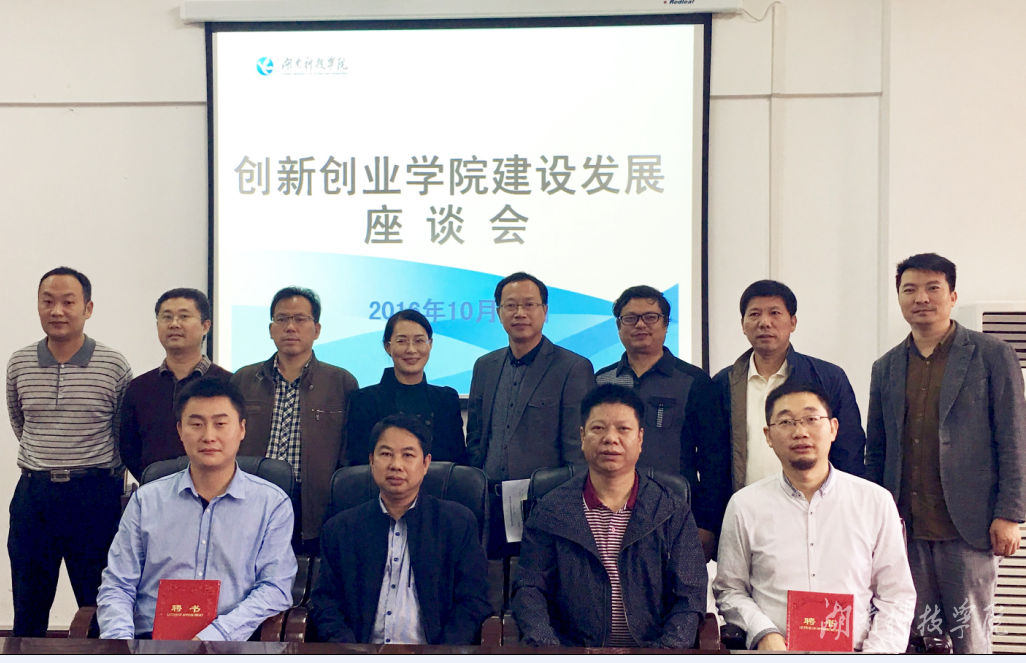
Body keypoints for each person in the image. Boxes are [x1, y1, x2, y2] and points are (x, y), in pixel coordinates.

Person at [866, 253, 1026, 654]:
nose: (921, 298)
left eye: (932, 288)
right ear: (899, 298)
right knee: (915, 639)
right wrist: (874, 522)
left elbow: (1014, 438)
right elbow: (877, 451)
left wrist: (1010, 513)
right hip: (906, 529)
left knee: (970, 640)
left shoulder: (992, 355)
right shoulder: (885, 367)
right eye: (910, 289)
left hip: (970, 528)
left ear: (952, 296)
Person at [714, 382, 915, 652]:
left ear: (833, 428)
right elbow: (729, 590)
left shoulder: (875, 502)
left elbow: (896, 596)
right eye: (786, 422)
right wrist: (763, 633)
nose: (800, 432)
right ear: (768, 436)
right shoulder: (745, 505)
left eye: (811, 419)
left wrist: (875, 653)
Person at [97, 377, 297, 640]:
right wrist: (121, 645)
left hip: (229, 644)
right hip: (151, 643)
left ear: (241, 429)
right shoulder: (147, 501)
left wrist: (213, 636)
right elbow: (118, 584)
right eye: (197, 424)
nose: (209, 436)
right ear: (180, 431)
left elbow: (275, 588)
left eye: (220, 424)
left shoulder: (271, 503)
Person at [512, 384, 708, 648]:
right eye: (598, 428)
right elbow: (529, 588)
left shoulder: (671, 511)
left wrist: (663, 655)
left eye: (623, 429)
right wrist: (552, 652)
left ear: (640, 438)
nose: (610, 438)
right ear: (582, 437)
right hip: (572, 652)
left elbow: (690, 597)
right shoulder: (550, 511)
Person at [5, 267, 132, 637]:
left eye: (68, 302)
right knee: (28, 608)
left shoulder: (113, 364)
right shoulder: (19, 362)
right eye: (47, 301)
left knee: (98, 608)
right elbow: (20, 422)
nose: (57, 311)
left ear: (88, 308)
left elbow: (121, 431)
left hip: (94, 497)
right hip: (34, 496)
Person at [310, 414, 491, 644]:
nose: (396, 465)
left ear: (425, 463)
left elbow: (473, 602)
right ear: (371, 460)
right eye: (386, 454)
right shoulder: (340, 530)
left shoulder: (457, 524)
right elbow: (326, 604)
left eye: (408, 455)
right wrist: (351, 653)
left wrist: (441, 655)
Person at [466, 272, 596, 558]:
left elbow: (578, 451)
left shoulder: (572, 368)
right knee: (490, 577)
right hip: (489, 503)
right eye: (511, 305)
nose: (520, 313)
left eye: (529, 305)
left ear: (545, 311)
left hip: (545, 503)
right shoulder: (485, 366)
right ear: (498, 313)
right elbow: (475, 434)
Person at [596, 285, 729, 560]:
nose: (640, 325)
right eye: (630, 318)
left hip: (675, 517)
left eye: (650, 317)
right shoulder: (601, 381)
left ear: (666, 325)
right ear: (619, 327)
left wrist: (706, 524)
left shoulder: (694, 381)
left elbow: (713, 459)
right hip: (609, 516)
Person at [231, 286, 358, 555]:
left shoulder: (341, 382)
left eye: (300, 319)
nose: (290, 327)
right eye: (282, 319)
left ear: (317, 329)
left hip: (313, 503)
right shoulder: (244, 379)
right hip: (251, 497)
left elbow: (348, 453)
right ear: (271, 329)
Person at [713, 280, 866, 491]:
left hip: (815, 503)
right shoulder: (723, 384)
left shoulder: (828, 377)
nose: (765, 323)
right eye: (755, 314)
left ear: (793, 322)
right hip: (744, 504)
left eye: (775, 313)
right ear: (743, 325)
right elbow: (713, 458)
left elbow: (850, 451)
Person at [120, 288, 232, 480]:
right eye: (166, 317)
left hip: (216, 488)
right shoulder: (139, 387)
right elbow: (128, 449)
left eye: (184, 316)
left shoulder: (228, 383)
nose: (174, 324)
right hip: (156, 491)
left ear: (206, 326)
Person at [346, 309, 466, 465]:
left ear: (430, 344)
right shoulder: (364, 401)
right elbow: (359, 464)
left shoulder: (446, 399)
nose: (411, 349)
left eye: (419, 341)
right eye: (402, 341)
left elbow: (457, 463)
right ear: (387, 346)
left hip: (439, 481)